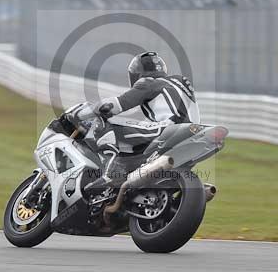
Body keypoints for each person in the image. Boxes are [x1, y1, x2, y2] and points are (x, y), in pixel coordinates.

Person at [71, 51, 200, 194]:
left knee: (102, 122)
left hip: (168, 129)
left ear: (137, 73)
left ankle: (112, 171)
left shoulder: (148, 83)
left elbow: (115, 106)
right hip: (190, 132)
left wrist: (82, 113)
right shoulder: (179, 81)